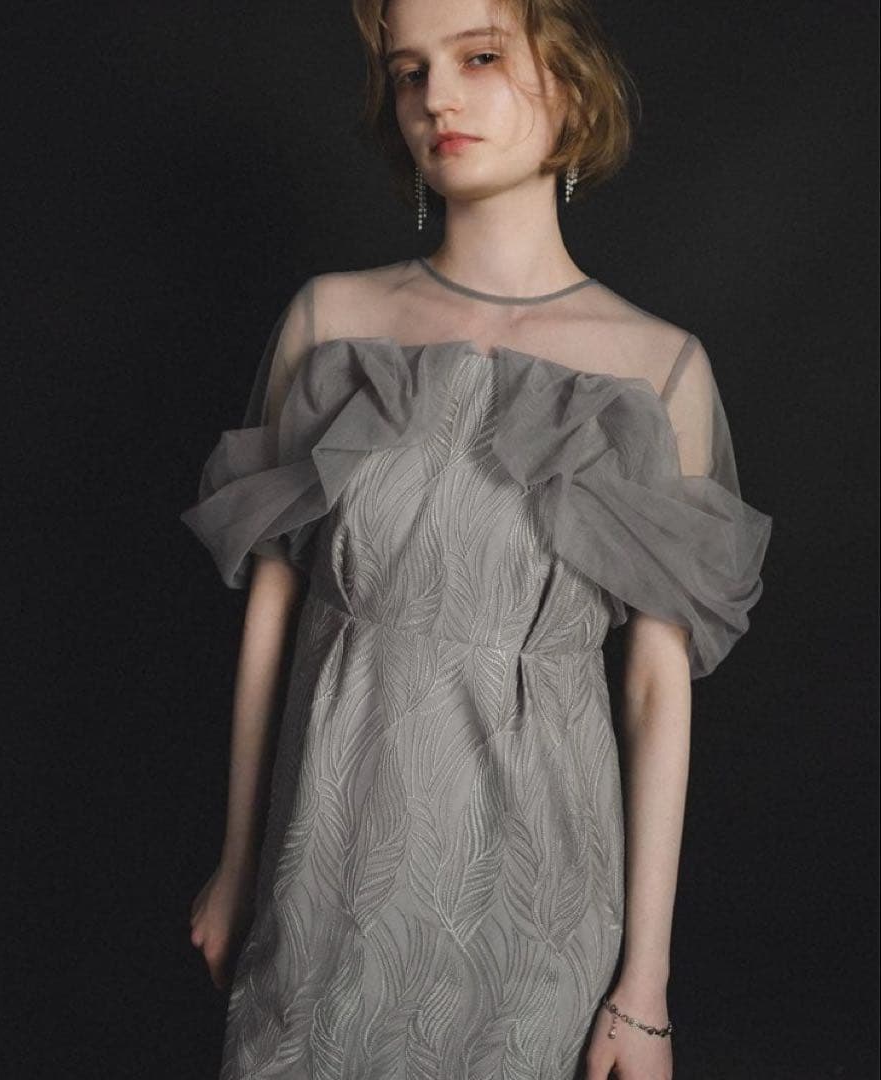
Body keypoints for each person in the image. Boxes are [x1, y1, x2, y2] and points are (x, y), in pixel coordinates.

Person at [181, 0, 772, 1077]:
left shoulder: (658, 370)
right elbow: (272, 610)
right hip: (325, 870)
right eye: (410, 72)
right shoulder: (331, 324)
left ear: (573, 91)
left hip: (538, 896)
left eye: (481, 57)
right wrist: (236, 861)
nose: (436, 99)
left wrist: (644, 989)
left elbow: (654, 687)